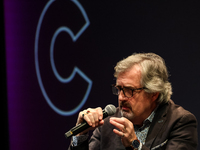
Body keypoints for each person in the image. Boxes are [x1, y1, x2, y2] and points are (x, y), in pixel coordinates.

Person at [68, 53, 198, 150]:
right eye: (119, 89)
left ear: (153, 93)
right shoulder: (108, 123)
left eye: (129, 90)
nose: (121, 97)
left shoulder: (180, 122)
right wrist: (81, 135)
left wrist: (135, 144)